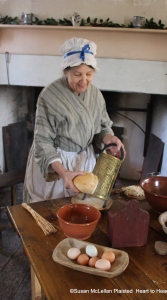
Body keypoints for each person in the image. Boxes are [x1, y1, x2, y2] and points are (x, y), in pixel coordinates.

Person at [23, 37, 126, 203]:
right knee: (52, 211)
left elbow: (102, 127)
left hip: (84, 163)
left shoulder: (96, 95)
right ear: (65, 71)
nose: (84, 81)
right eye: (77, 74)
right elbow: (42, 141)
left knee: (80, 209)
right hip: (57, 163)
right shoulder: (49, 96)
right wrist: (63, 172)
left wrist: (109, 138)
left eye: (89, 74)